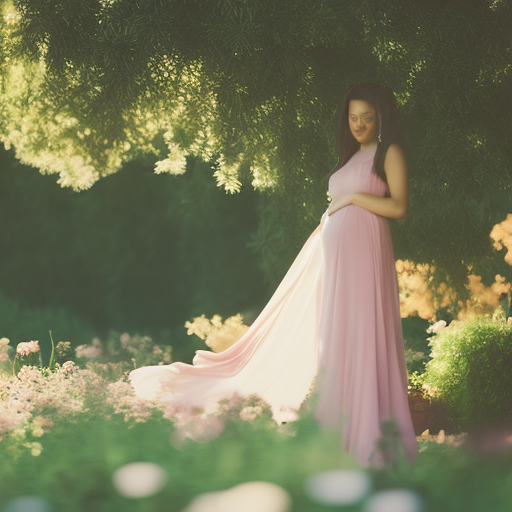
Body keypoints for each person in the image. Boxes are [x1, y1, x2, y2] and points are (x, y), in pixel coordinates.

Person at [130, 82, 419, 469]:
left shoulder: (389, 152)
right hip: (336, 257)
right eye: (353, 117)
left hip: (366, 254)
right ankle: (339, 426)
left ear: (381, 118)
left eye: (367, 117)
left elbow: (397, 205)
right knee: (334, 334)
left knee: (362, 330)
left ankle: (368, 434)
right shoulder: (349, 157)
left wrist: (349, 200)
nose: (359, 124)